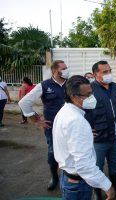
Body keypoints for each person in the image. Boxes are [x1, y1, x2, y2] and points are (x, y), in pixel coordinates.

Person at [53, 75, 115, 200]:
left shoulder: (65, 111)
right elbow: (84, 166)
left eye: (91, 93)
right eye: (86, 95)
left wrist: (84, 135)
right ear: (73, 97)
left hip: (68, 178)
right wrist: (108, 186)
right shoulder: (76, 121)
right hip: (77, 184)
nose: (91, 98)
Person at [18, 60, 69, 190]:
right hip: (52, 127)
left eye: (66, 68)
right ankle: (54, 177)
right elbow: (24, 103)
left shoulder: (71, 84)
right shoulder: (44, 85)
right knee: (53, 152)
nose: (66, 70)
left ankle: (68, 176)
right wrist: (37, 120)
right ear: (54, 71)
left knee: (70, 151)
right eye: (63, 68)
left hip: (70, 126)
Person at [85, 60, 116, 200]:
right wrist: (85, 129)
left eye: (109, 71)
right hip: (98, 140)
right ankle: (97, 194)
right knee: (96, 168)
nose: (109, 74)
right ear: (95, 74)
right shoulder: (89, 90)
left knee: (114, 166)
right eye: (105, 72)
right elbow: (80, 111)